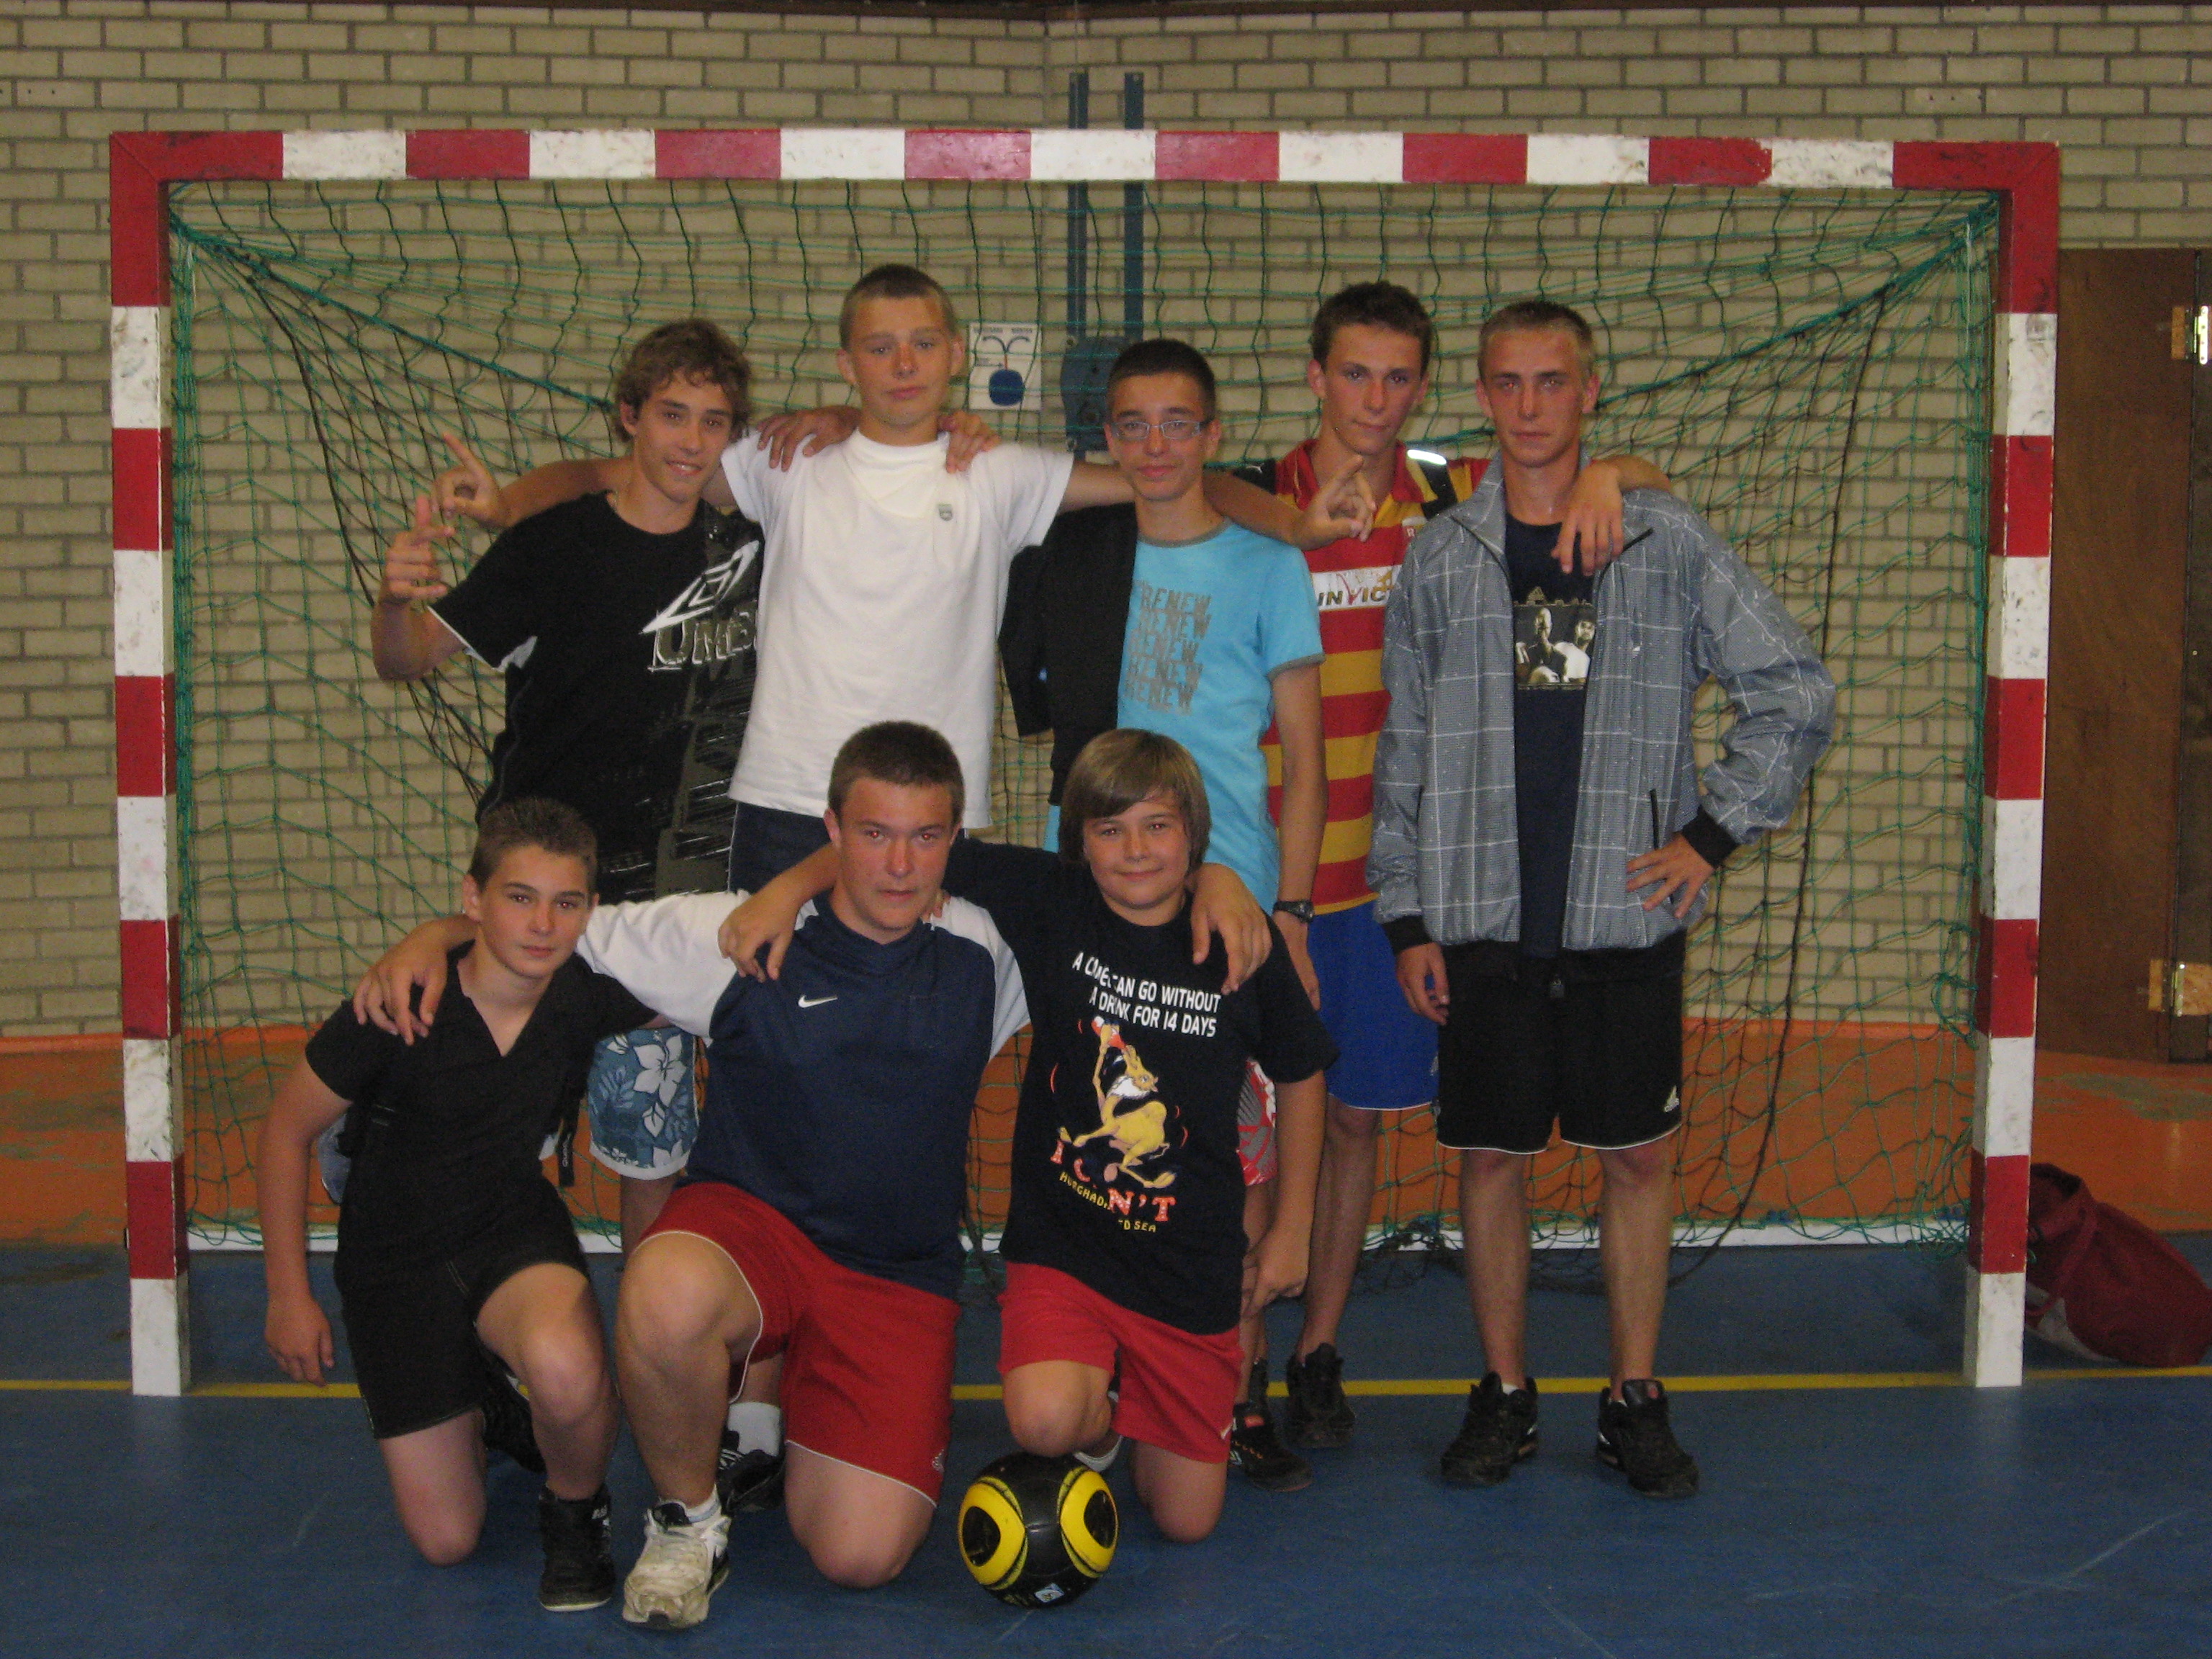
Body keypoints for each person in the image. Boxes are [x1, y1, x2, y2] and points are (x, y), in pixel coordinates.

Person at [352, 723, 1273, 1624]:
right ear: (832, 832)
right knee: (666, 1293)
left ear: (956, 839)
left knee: (859, 1558)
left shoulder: (990, 947)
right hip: (751, 1233)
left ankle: (795, 1400)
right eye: (873, 834)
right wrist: (435, 935)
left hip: (893, 1274)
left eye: (925, 838)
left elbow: (1127, 901)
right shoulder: (738, 933)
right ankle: (687, 1524)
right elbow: (556, 929)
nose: (899, 866)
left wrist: (1218, 878)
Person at [436, 264, 1370, 894]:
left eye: (922, 343)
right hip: (787, 804)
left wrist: (1294, 524)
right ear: (848, 363)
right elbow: (625, 473)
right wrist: (507, 505)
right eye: (879, 349)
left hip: (931, 816)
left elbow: (1166, 476)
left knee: (910, 1056)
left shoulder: (1001, 473)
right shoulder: (784, 461)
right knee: (777, 1043)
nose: (903, 364)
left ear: (956, 354)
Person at [1370, 298, 1835, 1498]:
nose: (1529, 405)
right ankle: (1505, 1393)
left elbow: (1794, 687)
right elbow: (1404, 746)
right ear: (1483, 396)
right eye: (1507, 383)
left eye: (1552, 381)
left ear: (1590, 391)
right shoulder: (1439, 556)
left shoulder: (1662, 540)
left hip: (1624, 914)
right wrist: (1407, 912)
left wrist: (1710, 832)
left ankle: (1632, 1398)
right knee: (1489, 1162)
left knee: (1635, 1160)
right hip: (1480, 919)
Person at [1233, 282, 1681, 1460]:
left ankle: (1317, 1348)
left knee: (1353, 1126)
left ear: (1430, 390)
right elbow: (1174, 487)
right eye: (1354, 373)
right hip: (1266, 869)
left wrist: (1609, 474)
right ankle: (1229, 1365)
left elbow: (1601, 469)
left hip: (1396, 879)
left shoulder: (1453, 494)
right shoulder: (1259, 496)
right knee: (1243, 1127)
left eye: (1399, 378)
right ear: (1315, 376)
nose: (1376, 399)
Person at [726, 729, 1332, 1544]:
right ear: (1078, 841)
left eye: (1157, 826)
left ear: (1193, 831)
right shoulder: (1055, 902)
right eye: (1109, 830)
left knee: (1186, 1523)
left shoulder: (1236, 935)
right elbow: (906, 850)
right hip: (1065, 1250)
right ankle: (1097, 1420)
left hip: (1188, 1268)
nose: (1135, 851)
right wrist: (783, 893)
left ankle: (1139, 1411)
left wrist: (1292, 1229)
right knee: (1045, 1421)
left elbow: (1301, 1070)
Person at [997, 337, 1333, 1491]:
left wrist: (1289, 909)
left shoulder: (1267, 565)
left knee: (1232, 1153)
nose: (1155, 445)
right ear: (1108, 439)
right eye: (1131, 425)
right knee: (1105, 1121)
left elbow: (1305, 761)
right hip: (1109, 892)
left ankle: (1234, 1382)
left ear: (1211, 432)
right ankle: (1096, 1357)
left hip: (1230, 898)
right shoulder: (1079, 552)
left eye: (1178, 422)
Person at [370, 318, 758, 1254]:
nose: (690, 440)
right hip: (543, 894)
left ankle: (644, 1334)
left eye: (713, 421)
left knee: (650, 1151)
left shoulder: (748, 549)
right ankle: (497, 1310)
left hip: (664, 905)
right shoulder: (550, 546)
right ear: (630, 417)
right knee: (504, 1139)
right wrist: (393, 598)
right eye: (671, 414)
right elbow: (407, 659)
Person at [258, 799, 651, 1611]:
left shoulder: (582, 994)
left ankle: (576, 1513)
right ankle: (489, 1401)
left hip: (510, 1234)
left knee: (567, 1370)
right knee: (448, 1541)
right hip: (393, 1265)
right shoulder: (398, 1002)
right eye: (519, 897)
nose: (542, 924)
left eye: (566, 903)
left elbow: (718, 965)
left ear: (591, 911)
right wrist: (289, 1296)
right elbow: (284, 1135)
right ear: (473, 898)